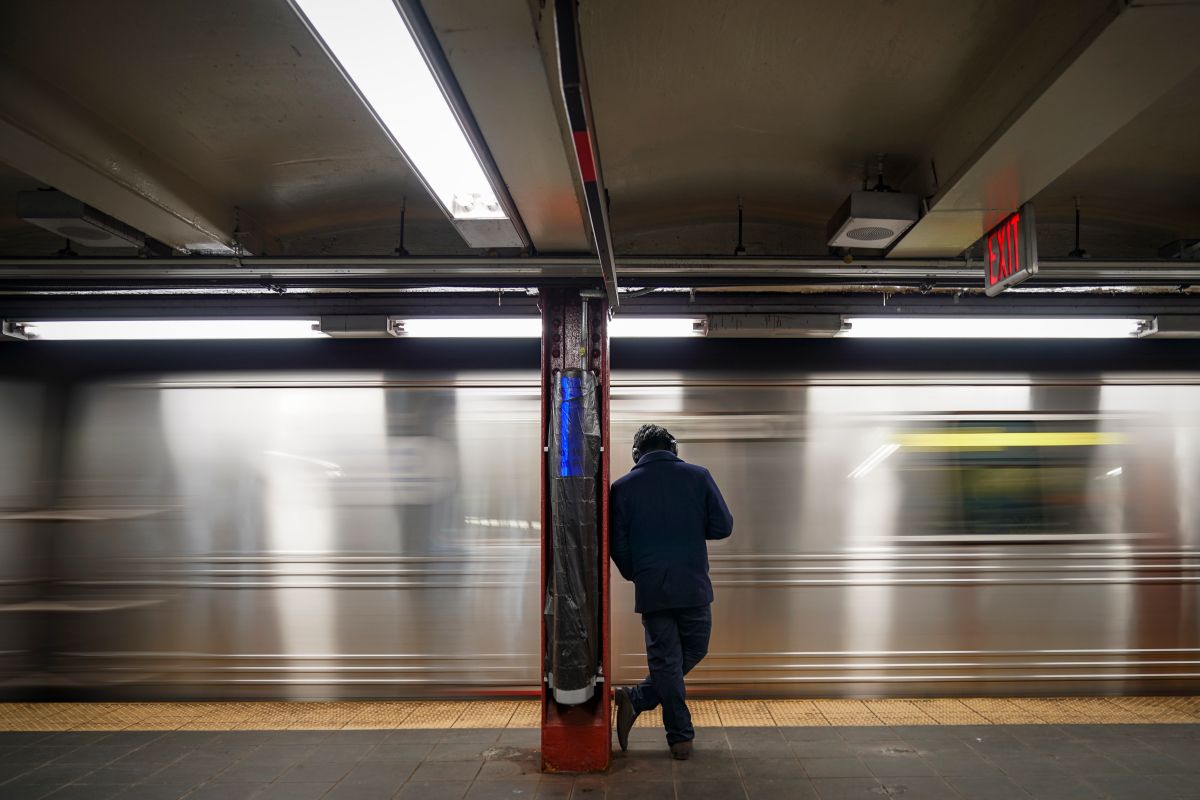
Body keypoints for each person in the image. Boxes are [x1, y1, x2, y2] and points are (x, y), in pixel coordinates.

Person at [609, 423, 734, 760]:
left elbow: (617, 545)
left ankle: (638, 698)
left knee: (668, 660)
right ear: (673, 448)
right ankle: (679, 735)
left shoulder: (622, 487)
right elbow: (723, 525)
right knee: (694, 649)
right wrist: (691, 528)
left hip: (653, 589)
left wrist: (638, 574)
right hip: (693, 584)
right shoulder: (698, 476)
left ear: (637, 454)